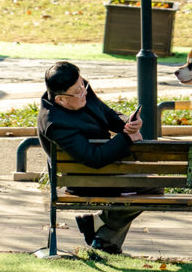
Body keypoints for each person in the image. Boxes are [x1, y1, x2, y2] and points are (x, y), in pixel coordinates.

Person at [37, 60, 158, 254]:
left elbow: (106, 113)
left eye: (83, 85)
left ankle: (102, 234)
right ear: (61, 100)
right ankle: (104, 233)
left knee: (151, 186)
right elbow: (93, 158)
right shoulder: (55, 123)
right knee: (153, 187)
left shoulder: (80, 89)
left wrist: (127, 124)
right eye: (78, 91)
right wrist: (127, 138)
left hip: (107, 168)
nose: (84, 91)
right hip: (86, 178)